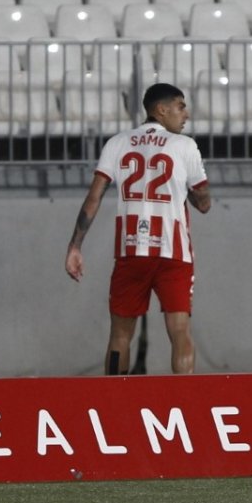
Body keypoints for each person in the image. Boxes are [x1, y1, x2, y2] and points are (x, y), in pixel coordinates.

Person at [65, 83, 212, 375]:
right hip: (174, 252)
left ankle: (114, 404)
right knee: (180, 331)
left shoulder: (117, 143)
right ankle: (185, 403)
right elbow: (204, 201)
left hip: (131, 249)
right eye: (180, 107)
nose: (186, 114)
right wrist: (193, 195)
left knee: (120, 334)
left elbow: (93, 198)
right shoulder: (184, 146)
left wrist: (75, 246)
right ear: (162, 110)